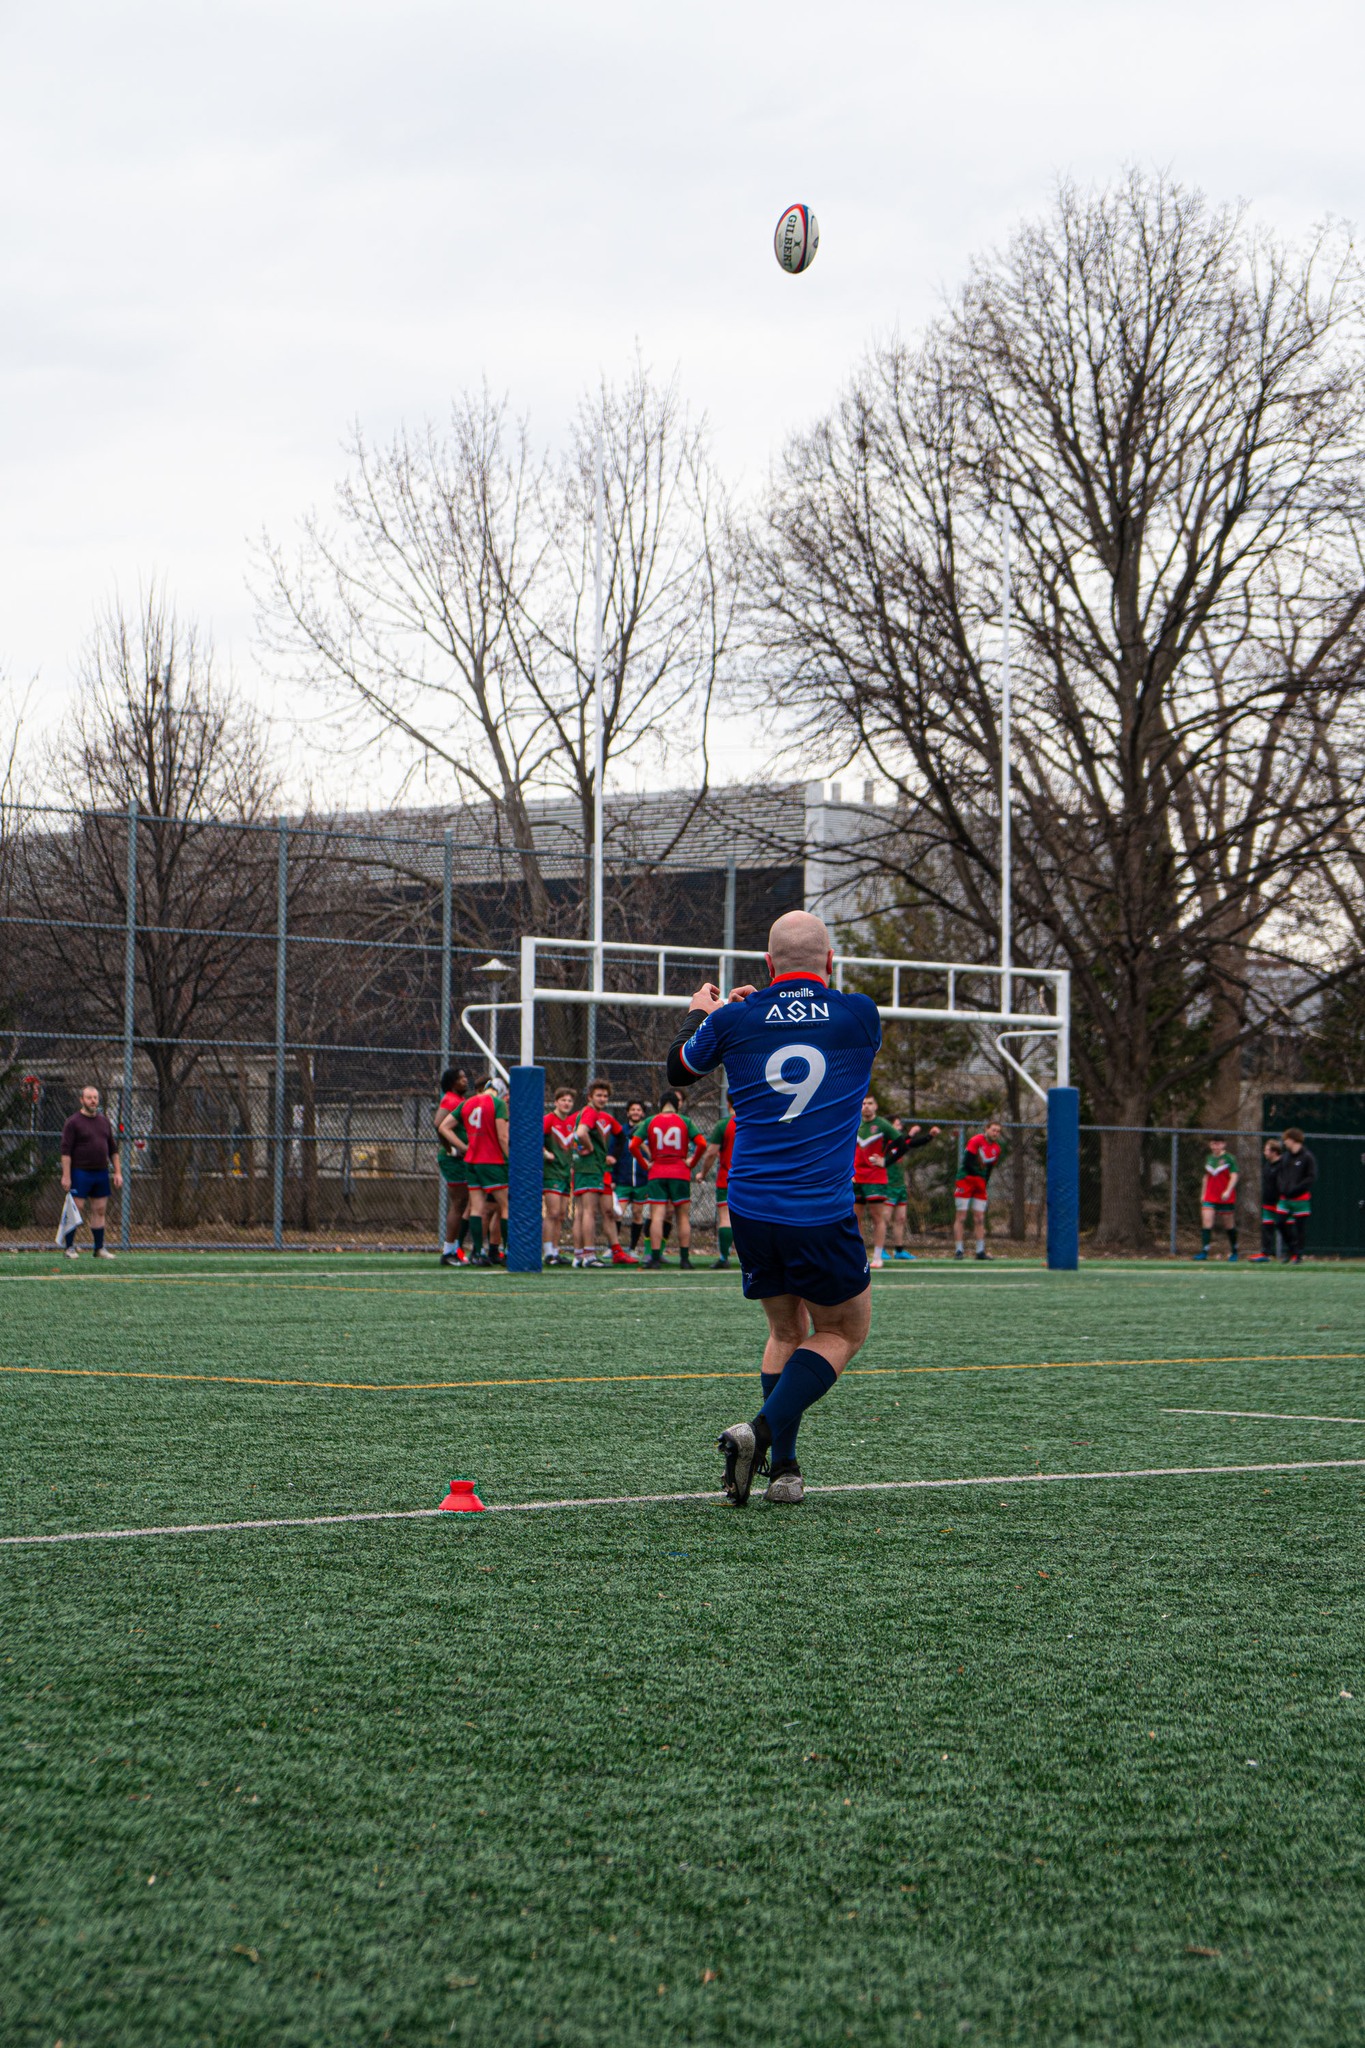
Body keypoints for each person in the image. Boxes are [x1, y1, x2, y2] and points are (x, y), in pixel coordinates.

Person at [667, 908, 880, 1507]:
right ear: (831, 962)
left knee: (786, 1330)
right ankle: (759, 1435)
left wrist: (705, 1014)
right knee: (842, 1329)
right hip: (818, 1208)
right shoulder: (859, 1014)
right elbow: (812, 1021)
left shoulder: (736, 1017)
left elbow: (678, 1070)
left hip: (751, 1207)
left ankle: (784, 1470)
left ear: (766, 963)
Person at [632, 1090, 705, 1270]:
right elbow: (702, 1144)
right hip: (679, 1171)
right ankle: (685, 1259)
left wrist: (645, 1164)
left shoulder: (650, 1121)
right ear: (677, 1104)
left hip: (657, 1171)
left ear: (660, 1103)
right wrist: (691, 1162)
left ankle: (655, 1259)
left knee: (657, 1215)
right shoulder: (685, 1121)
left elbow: (633, 1144)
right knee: (682, 1216)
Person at [573, 1080, 638, 1268]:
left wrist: (611, 1155)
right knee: (588, 1212)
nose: (602, 1099)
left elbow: (619, 1136)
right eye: (599, 1095)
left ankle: (579, 1256)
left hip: (588, 1168)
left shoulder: (596, 1115)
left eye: (605, 1096)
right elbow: (581, 1133)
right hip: (591, 1168)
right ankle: (589, 1255)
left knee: (586, 1212)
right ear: (589, 1097)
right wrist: (591, 1148)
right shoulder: (590, 1113)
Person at [59, 1083, 122, 1260]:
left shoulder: (104, 1121)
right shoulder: (73, 1122)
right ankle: (69, 1248)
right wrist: (66, 1175)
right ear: (82, 1100)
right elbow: (65, 1152)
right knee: (76, 1208)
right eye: (89, 1098)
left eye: (95, 1098)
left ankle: (99, 1248)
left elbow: (113, 1149)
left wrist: (117, 1172)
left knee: (100, 1209)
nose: (93, 1101)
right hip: (80, 1172)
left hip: (101, 1173)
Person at [459, 1076, 509, 1266]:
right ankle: (508, 1250)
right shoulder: (497, 1104)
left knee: (477, 1208)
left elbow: (444, 1125)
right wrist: (512, 1161)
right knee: (506, 1206)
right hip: (491, 1160)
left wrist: (461, 1147)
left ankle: (477, 1252)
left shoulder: (469, 1102)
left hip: (471, 1159)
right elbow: (503, 1136)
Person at [852, 1094, 899, 1268]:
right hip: (857, 1177)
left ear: (876, 1106)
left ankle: (878, 1256)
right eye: (863, 1103)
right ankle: (859, 1256)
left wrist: (885, 1161)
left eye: (870, 1103)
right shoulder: (855, 1123)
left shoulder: (882, 1125)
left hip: (875, 1178)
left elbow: (902, 1143)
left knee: (877, 1217)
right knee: (855, 1218)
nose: (866, 1106)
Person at [885, 1116, 941, 1260]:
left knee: (901, 1218)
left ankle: (898, 1250)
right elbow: (902, 1143)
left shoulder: (902, 1142)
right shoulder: (885, 1142)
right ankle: (881, 1250)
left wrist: (929, 1136)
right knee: (884, 1219)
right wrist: (910, 1134)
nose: (899, 1127)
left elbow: (912, 1143)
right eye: (897, 1124)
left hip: (899, 1186)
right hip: (887, 1185)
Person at [434, 1065, 471, 1266]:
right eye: (461, 1077)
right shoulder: (450, 1099)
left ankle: (455, 1248)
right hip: (454, 1159)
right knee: (459, 1203)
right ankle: (449, 1251)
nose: (465, 1080)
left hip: (460, 1159)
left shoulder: (460, 1101)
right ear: (452, 1082)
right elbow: (439, 1124)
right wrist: (452, 1148)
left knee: (465, 1202)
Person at [953, 1120, 1005, 1260]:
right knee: (961, 1217)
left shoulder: (996, 1149)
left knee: (980, 1218)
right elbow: (968, 1162)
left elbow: (989, 1169)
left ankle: (980, 1251)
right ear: (986, 1129)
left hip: (979, 1184)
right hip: (966, 1180)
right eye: (993, 1130)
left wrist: (984, 1183)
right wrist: (976, 1177)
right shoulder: (976, 1141)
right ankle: (959, 1250)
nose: (995, 1133)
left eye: (998, 1131)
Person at [542, 1086, 578, 1265]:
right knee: (553, 1212)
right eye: (563, 1100)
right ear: (556, 1102)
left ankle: (555, 1251)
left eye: (570, 1100)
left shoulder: (572, 1123)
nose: (566, 1103)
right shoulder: (548, 1120)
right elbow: (534, 1139)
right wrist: (545, 1153)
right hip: (551, 1173)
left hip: (565, 1173)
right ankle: (547, 1252)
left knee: (562, 1214)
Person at [610, 1099, 651, 1253]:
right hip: (622, 1180)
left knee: (637, 1214)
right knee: (618, 1213)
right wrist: (613, 1177)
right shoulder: (620, 1132)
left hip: (641, 1181)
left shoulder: (647, 1132)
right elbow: (612, 1153)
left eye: (638, 1110)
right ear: (627, 1112)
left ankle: (632, 1248)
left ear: (643, 1113)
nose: (635, 1112)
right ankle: (613, 1247)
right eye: (632, 1109)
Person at [699, 1099, 737, 1267]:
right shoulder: (756, 1121)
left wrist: (702, 1173)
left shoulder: (724, 1125)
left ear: (728, 1102)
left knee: (726, 1217)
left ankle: (723, 1258)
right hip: (753, 1179)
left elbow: (711, 1152)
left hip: (728, 1178)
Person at [1275, 1127, 1317, 1265]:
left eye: (1286, 1140)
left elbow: (1311, 1177)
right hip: (1285, 1199)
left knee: (1300, 1228)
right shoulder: (1286, 1157)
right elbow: (1280, 1174)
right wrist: (1282, 1188)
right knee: (1280, 1222)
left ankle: (1298, 1255)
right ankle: (1291, 1249)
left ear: (1293, 1140)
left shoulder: (1307, 1157)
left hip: (1301, 1199)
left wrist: (1296, 1189)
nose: (1284, 1143)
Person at [1192, 1141, 1239, 1262]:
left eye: (1217, 1144)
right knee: (1207, 1222)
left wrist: (1228, 1191)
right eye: (1212, 1144)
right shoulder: (1209, 1158)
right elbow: (1206, 1177)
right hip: (1210, 1196)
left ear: (1223, 1144)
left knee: (1228, 1224)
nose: (1214, 1147)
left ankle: (1234, 1251)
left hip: (1225, 1197)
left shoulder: (1229, 1158)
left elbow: (1234, 1176)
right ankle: (1204, 1252)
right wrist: (1203, 1194)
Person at [1248, 1139, 1285, 1264]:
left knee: (1285, 1227)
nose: (1264, 1152)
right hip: (1268, 1203)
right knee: (1267, 1227)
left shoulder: (1282, 1165)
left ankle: (1292, 1253)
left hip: (1281, 1203)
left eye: (1266, 1150)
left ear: (1274, 1152)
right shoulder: (1267, 1165)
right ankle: (1265, 1253)